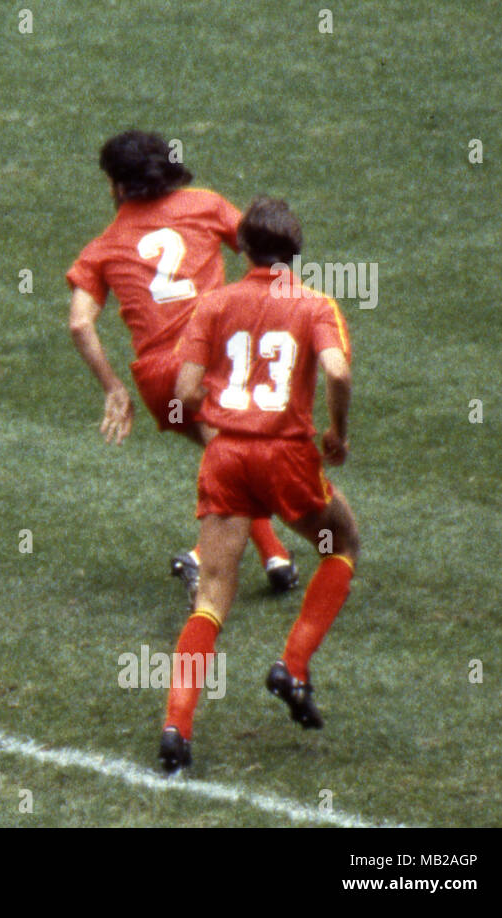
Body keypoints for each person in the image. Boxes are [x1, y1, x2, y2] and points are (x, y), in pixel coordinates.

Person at [157, 197, 359, 772]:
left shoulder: (214, 303)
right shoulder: (315, 304)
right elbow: (338, 370)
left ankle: (177, 728)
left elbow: (187, 392)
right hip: (287, 457)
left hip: (226, 457)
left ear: (241, 247)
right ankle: (292, 666)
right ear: (296, 251)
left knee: (212, 596)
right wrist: (336, 433)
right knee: (340, 544)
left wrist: (220, 413)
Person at [66, 130, 297, 598]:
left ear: (117, 186)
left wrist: (113, 388)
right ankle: (200, 556)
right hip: (214, 359)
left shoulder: (103, 247)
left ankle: (275, 557)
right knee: (244, 463)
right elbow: (262, 252)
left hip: (159, 380)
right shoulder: (205, 205)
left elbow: (78, 324)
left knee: (224, 458)